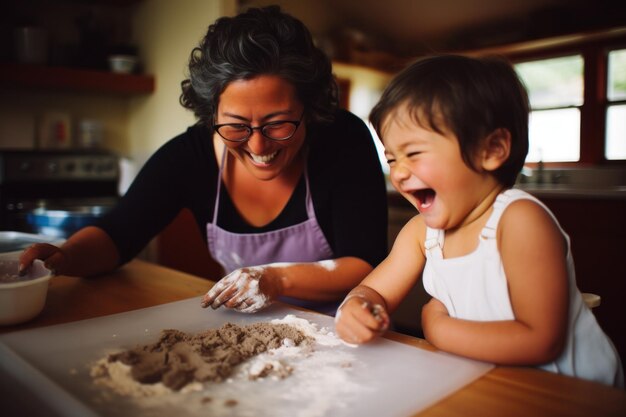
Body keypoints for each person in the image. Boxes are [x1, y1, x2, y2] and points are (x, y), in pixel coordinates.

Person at [18, 6, 388, 315]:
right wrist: (63, 258)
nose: (258, 145)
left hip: (342, 333)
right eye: (236, 126)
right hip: (248, 334)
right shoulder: (191, 156)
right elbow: (118, 234)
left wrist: (276, 279)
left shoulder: (343, 140)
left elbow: (365, 262)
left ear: (309, 108)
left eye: (278, 124)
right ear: (211, 114)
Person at [334, 54, 623, 387]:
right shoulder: (420, 232)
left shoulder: (518, 220)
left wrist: (438, 327)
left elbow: (541, 341)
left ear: (492, 149)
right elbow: (373, 289)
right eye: (391, 157)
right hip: (491, 382)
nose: (398, 172)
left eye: (413, 153)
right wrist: (356, 306)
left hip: (572, 391)